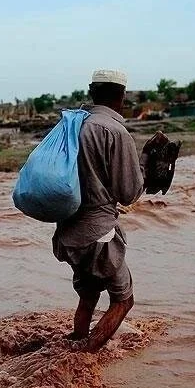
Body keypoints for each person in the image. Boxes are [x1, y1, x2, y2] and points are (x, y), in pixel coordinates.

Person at [53, 69, 148, 352]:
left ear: (92, 92)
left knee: (89, 295)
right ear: (122, 96)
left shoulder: (73, 125)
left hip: (69, 230)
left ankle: (77, 340)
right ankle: (85, 356)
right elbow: (128, 192)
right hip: (99, 233)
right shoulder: (115, 132)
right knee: (123, 300)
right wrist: (144, 166)